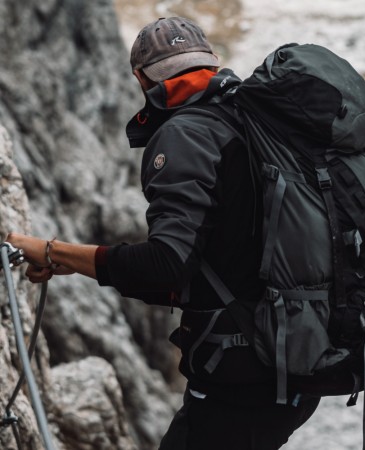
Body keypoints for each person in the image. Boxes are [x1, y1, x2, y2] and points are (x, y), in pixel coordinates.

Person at [6, 17, 320, 450]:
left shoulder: (185, 135)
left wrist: (51, 250)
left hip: (244, 380)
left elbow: (166, 267)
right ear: (210, 63)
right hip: (297, 357)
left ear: (141, 79)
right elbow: (216, 267)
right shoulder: (252, 119)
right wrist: (68, 263)